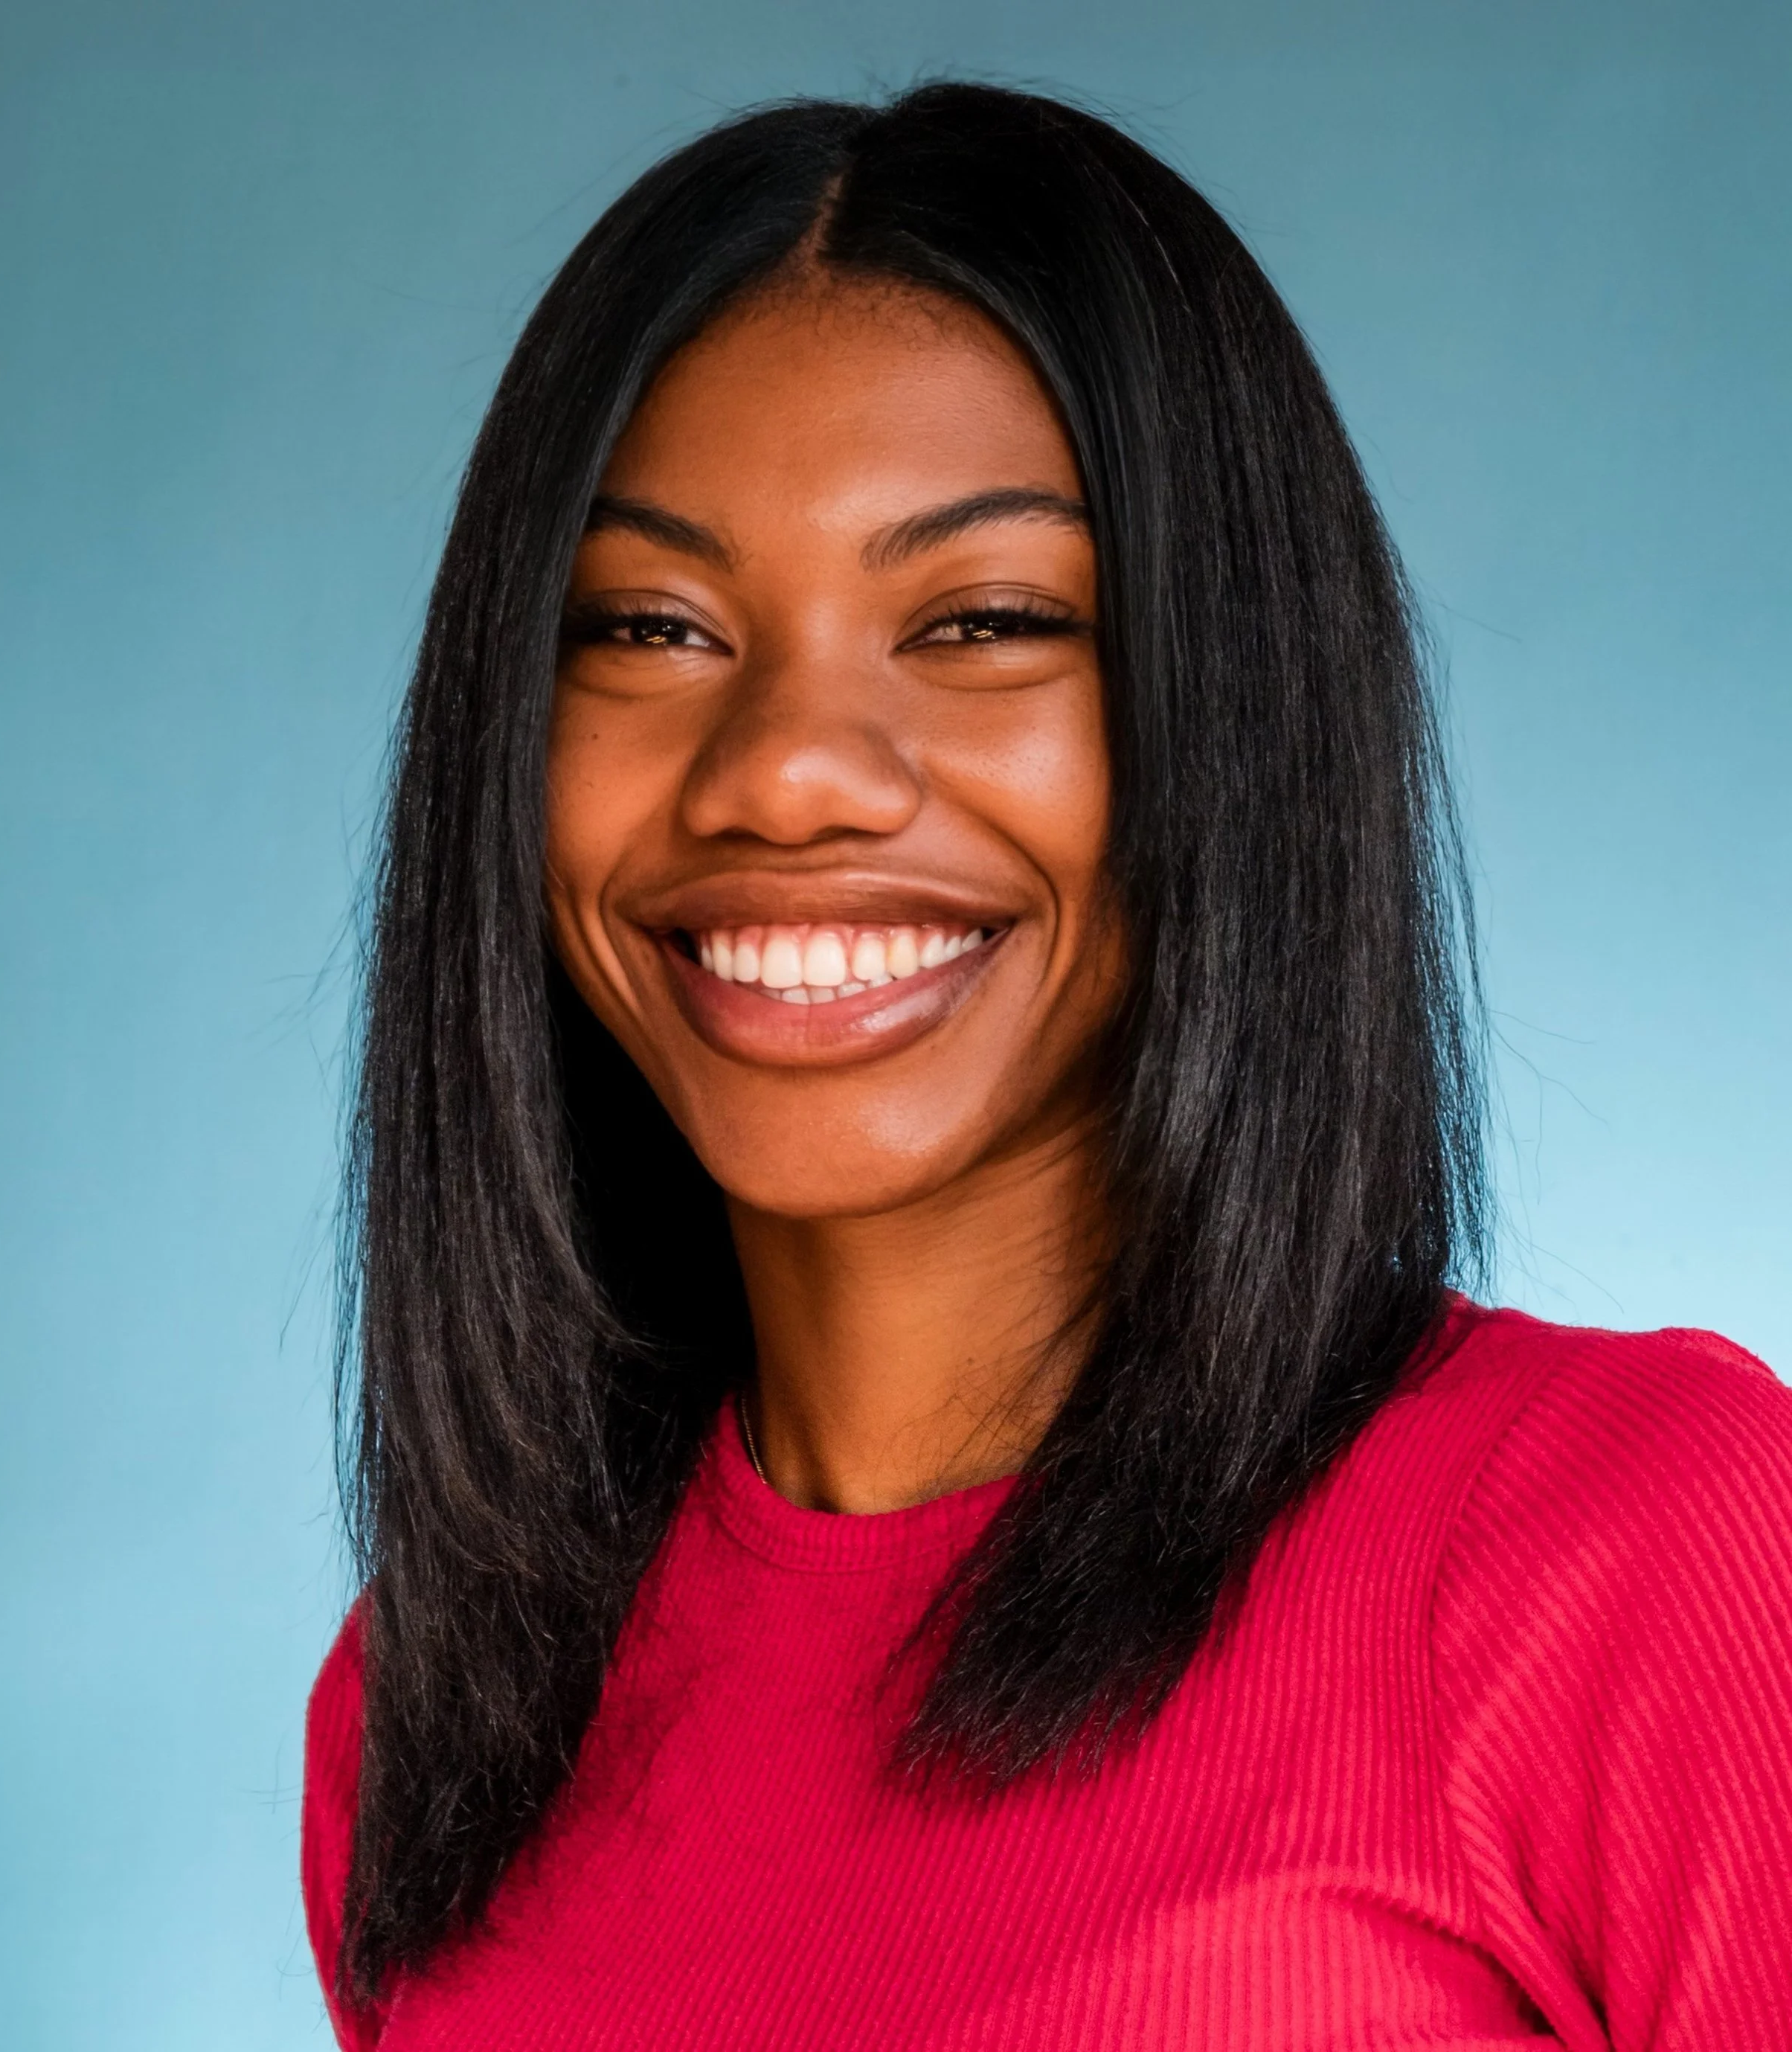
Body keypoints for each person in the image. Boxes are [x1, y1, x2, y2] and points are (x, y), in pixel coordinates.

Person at [302, 83, 1792, 2050]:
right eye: (650, 623)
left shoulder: (1636, 1551)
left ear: (1230, 712)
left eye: (988, 618)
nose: (785, 768)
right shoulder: (432, 1707)